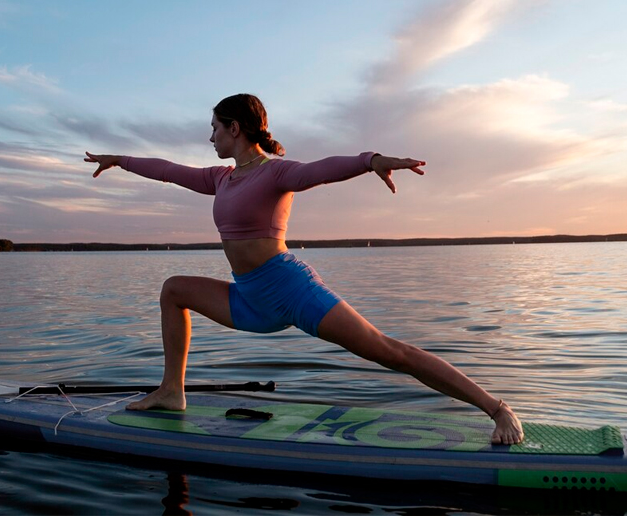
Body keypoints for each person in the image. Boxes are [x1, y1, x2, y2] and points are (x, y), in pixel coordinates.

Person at [84, 93, 524, 445]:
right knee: (173, 289)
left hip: (290, 289)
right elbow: (168, 171)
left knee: (387, 351)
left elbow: (321, 171)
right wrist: (121, 160)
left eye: (214, 129)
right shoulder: (222, 178)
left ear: (234, 129)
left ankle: (496, 407)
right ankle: (171, 391)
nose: (211, 138)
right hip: (248, 298)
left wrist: (370, 160)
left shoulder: (274, 174)